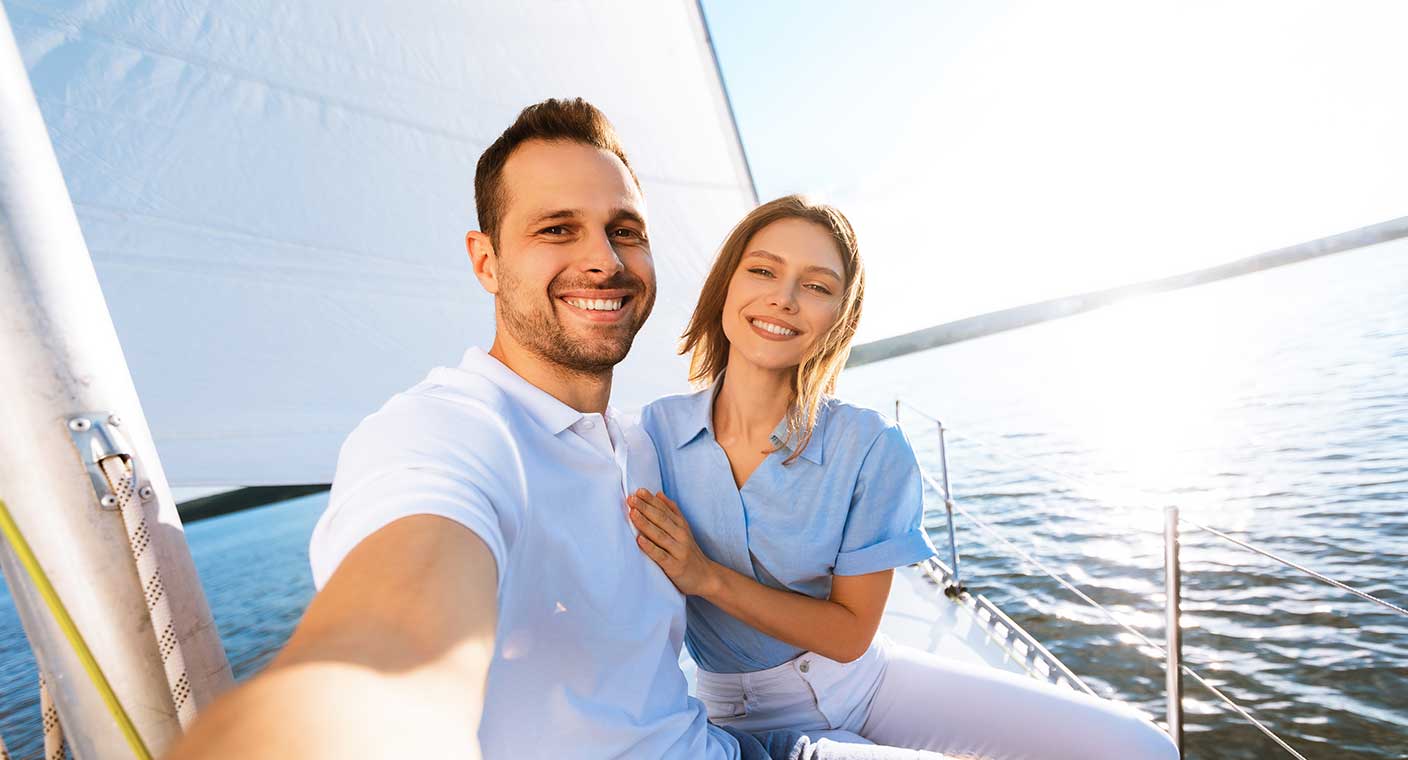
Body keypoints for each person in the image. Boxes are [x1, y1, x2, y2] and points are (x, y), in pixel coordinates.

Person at [166, 100, 952, 760]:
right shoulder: (448, 434)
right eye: (555, 230)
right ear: (485, 261)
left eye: (626, 231)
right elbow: (389, 642)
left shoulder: (640, 444)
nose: (603, 261)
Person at [628, 195, 1182, 759]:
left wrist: (708, 578)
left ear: (840, 316)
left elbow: (849, 635)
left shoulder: (871, 445)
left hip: (866, 683)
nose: (784, 298)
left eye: (816, 286)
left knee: (1140, 747)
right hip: (743, 719)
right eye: (763, 270)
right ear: (727, 282)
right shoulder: (653, 436)